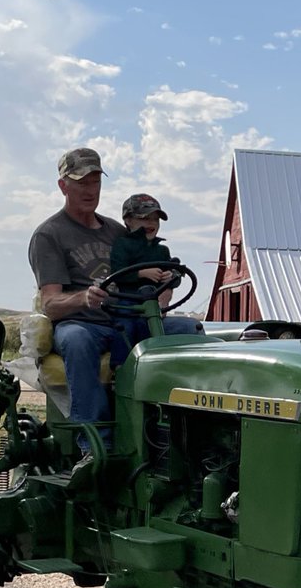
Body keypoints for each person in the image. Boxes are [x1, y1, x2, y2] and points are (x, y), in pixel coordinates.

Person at [27, 149, 201, 442]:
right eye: (81, 182)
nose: (90, 190)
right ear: (63, 186)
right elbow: (51, 303)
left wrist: (167, 285)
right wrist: (84, 298)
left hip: (128, 317)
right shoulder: (49, 234)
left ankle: (182, 433)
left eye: (95, 182)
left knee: (190, 331)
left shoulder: (116, 231)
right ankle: (95, 442)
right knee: (76, 340)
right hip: (84, 323)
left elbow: (150, 268)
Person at [107, 193, 177, 368]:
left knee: (153, 329)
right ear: (128, 220)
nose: (151, 223)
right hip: (128, 302)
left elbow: (175, 274)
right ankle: (120, 368)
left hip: (154, 306)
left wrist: (170, 278)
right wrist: (141, 274)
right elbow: (118, 273)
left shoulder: (162, 251)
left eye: (155, 219)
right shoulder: (123, 245)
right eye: (144, 218)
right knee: (124, 328)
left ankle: (154, 368)